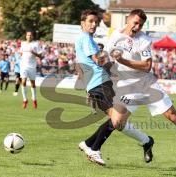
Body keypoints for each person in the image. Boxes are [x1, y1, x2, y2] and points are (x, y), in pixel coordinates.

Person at [106, 9, 176, 168]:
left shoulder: (144, 39)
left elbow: (147, 66)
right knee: (117, 122)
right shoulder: (114, 36)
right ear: (128, 20)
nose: (137, 27)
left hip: (147, 84)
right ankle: (147, 141)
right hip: (127, 86)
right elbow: (106, 60)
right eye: (135, 23)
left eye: (140, 25)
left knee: (174, 117)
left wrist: (123, 61)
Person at [75, 9, 154, 166]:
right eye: (90, 21)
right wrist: (117, 60)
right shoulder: (86, 39)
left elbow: (84, 65)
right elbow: (99, 60)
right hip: (100, 83)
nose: (94, 24)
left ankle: (89, 144)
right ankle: (94, 149)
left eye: (95, 22)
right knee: (117, 119)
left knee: (116, 120)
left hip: (97, 84)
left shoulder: (84, 39)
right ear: (82, 23)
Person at [19, 31, 42, 109]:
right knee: (23, 82)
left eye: (30, 35)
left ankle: (34, 99)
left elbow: (40, 56)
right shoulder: (23, 43)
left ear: (32, 37)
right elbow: (21, 53)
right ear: (26, 36)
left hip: (32, 66)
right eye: (28, 35)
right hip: (23, 66)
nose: (29, 36)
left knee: (32, 83)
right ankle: (25, 100)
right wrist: (20, 57)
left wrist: (34, 53)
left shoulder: (36, 44)